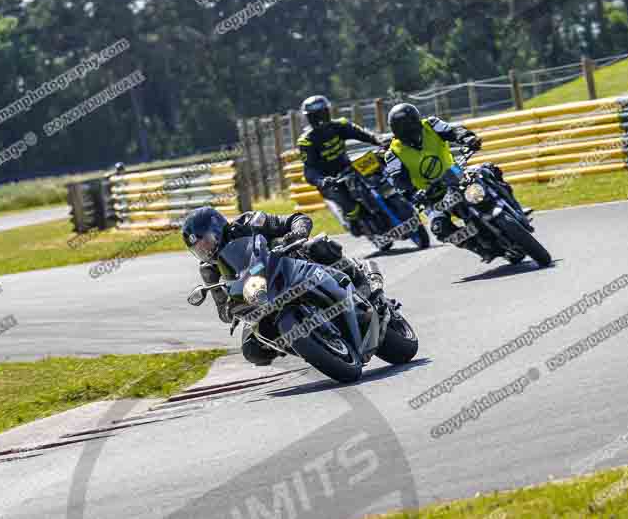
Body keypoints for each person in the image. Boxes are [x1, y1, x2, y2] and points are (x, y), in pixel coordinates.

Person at [182, 207, 384, 366]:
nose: (206, 251)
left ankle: (365, 284)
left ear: (217, 229)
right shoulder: (209, 269)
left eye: (206, 242)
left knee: (319, 246)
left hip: (289, 264)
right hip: (258, 296)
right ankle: (309, 344)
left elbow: (296, 219)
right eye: (199, 249)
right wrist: (229, 310)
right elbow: (222, 308)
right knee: (252, 350)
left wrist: (297, 233)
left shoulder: (249, 222)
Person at [383, 103, 513, 262]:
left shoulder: (431, 124)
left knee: (487, 170)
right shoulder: (392, 154)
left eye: (413, 126)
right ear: (397, 132)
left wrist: (467, 138)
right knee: (439, 228)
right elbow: (399, 180)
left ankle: (513, 206)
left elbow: (453, 131)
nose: (413, 134)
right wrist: (414, 193)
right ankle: (479, 248)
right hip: (431, 196)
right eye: (406, 130)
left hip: (456, 175)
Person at [297, 95, 385, 237]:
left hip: (349, 168)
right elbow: (309, 169)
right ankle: (355, 223)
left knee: (378, 177)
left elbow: (361, 134)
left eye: (322, 113)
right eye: (315, 115)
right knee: (349, 205)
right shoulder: (306, 141)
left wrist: (379, 141)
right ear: (309, 118)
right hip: (330, 180)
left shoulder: (339, 125)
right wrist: (321, 181)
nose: (320, 118)